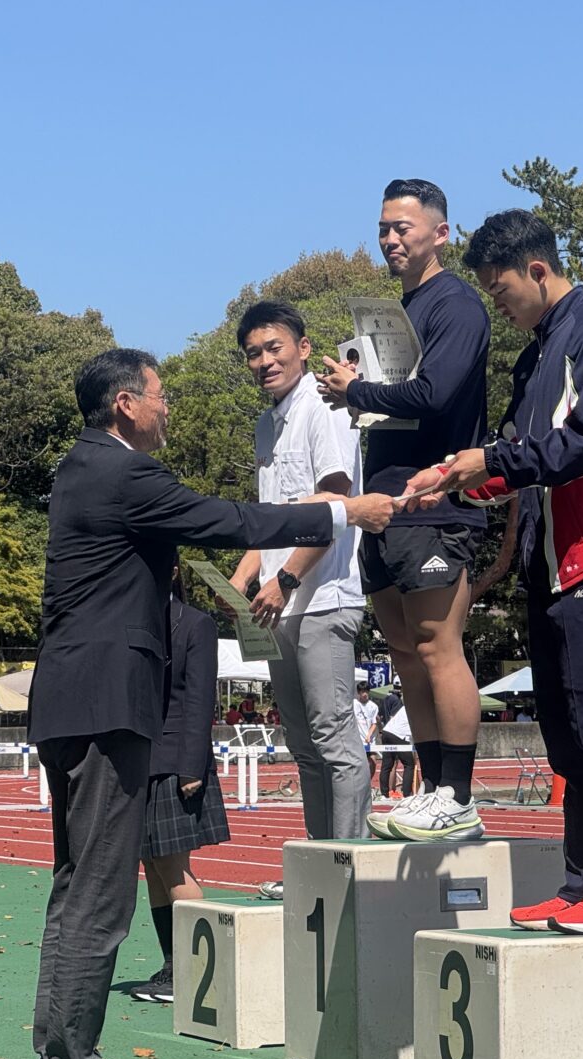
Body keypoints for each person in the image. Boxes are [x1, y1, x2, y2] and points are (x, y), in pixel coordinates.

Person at [26, 349, 395, 1059]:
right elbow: (231, 521)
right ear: (126, 404)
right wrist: (342, 514)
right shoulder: (126, 475)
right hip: (105, 705)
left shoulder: (78, 469)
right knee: (96, 896)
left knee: (76, 891)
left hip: (69, 700)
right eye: (159, 396)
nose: (169, 408)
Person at [406, 208, 583, 933]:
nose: (499, 305)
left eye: (501, 292)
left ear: (538, 271)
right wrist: (457, 478)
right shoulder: (538, 353)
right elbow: (518, 452)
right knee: (565, 730)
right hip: (549, 564)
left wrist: (490, 462)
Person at [317, 178, 490, 840]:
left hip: (435, 499)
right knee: (403, 651)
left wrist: (357, 385)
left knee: (436, 643)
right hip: (384, 498)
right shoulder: (397, 311)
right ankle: (433, 785)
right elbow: (397, 398)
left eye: (403, 228)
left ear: (440, 233)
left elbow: (438, 394)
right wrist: (355, 394)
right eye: (384, 228)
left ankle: (461, 794)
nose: (390, 239)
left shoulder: (457, 306)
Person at [229, 300, 370, 893]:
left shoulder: (326, 407)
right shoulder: (268, 423)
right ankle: (319, 866)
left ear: (304, 348)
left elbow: (333, 505)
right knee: (303, 743)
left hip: (325, 597)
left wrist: (283, 580)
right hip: (276, 605)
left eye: (274, 348)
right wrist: (240, 580)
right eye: (254, 353)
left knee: (335, 738)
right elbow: (269, 518)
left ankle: (348, 867)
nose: (264, 361)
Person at [126, 591, 228, 1005]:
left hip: (176, 763)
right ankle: (173, 964)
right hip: (141, 758)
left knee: (174, 869)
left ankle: (202, 971)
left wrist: (192, 767)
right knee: (152, 866)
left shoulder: (195, 623)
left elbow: (201, 700)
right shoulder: (132, 616)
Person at [375, 681, 415, 800]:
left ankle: (384, 794)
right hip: (397, 735)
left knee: (387, 764)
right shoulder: (413, 708)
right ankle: (407, 794)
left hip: (387, 732)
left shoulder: (403, 706)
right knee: (409, 764)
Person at [352, 681, 381, 783]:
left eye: (366, 692)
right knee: (359, 763)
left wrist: (369, 735)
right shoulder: (354, 704)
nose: (364, 694)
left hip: (369, 740)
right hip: (357, 740)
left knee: (373, 761)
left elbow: (374, 723)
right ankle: (359, 783)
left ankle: (368, 783)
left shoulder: (373, 706)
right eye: (362, 692)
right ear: (358, 693)